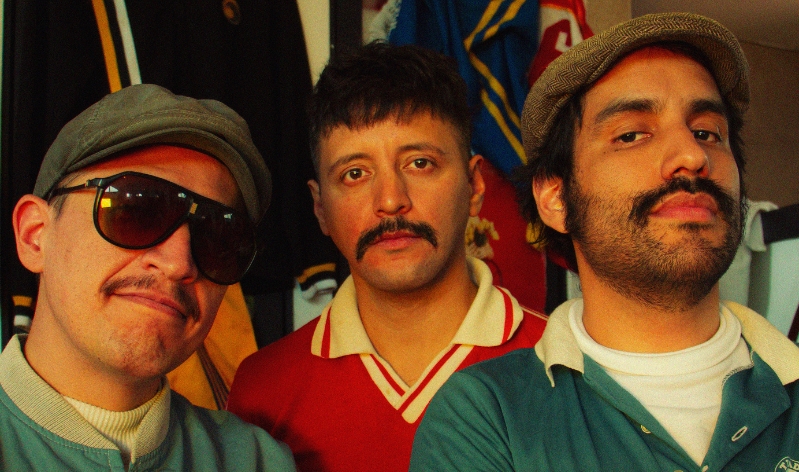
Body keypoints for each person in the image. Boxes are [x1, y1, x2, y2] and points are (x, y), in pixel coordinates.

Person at [410, 12, 799, 471]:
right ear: (556, 199)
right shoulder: (486, 418)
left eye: (707, 133)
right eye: (631, 135)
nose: (692, 155)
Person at [226, 42, 548, 471]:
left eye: (420, 163)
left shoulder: (564, 363)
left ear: (474, 187)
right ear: (320, 208)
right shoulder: (261, 391)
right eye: (355, 174)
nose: (391, 200)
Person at [1, 84, 296, 470]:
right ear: (35, 235)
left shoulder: (258, 461)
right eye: (136, 209)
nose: (179, 263)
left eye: (218, 236)